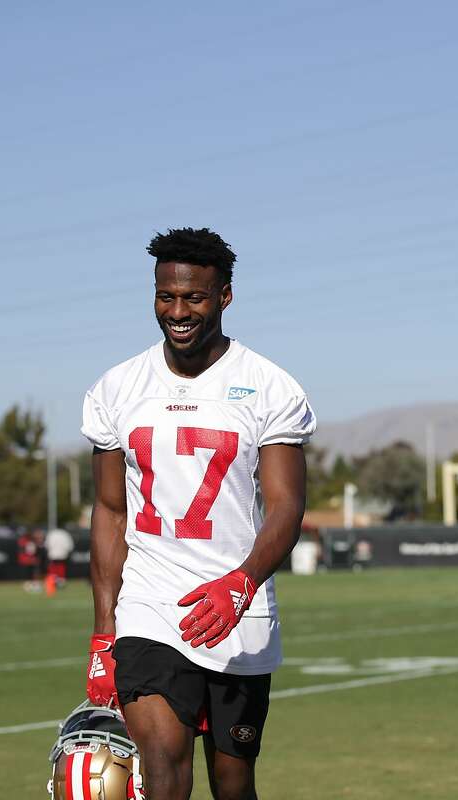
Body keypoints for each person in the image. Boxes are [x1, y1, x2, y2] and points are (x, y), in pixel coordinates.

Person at [81, 227, 315, 800]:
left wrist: (242, 583)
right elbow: (111, 512)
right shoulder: (117, 387)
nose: (177, 311)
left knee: (233, 787)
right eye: (166, 297)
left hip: (238, 609)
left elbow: (287, 507)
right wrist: (104, 632)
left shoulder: (267, 386)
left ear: (225, 296)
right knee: (162, 770)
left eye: (194, 298)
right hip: (150, 605)